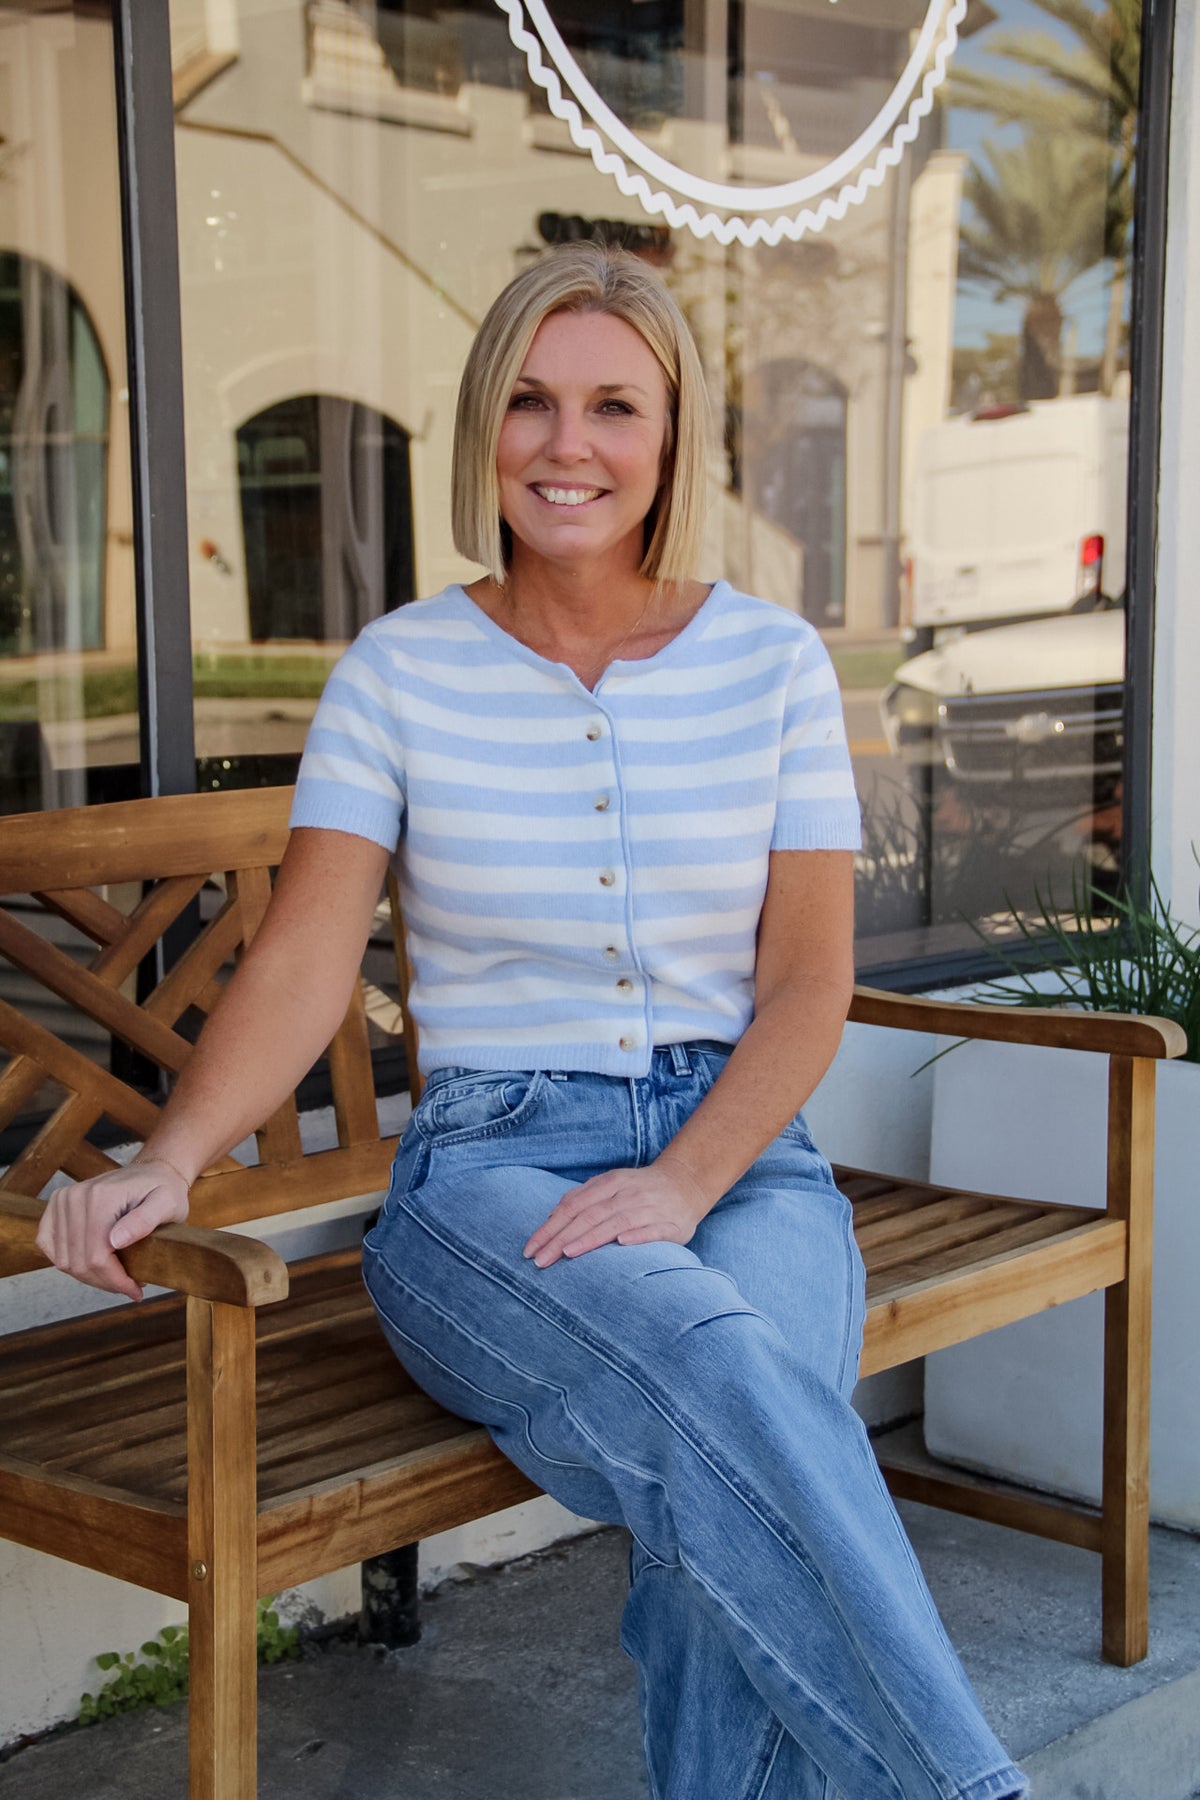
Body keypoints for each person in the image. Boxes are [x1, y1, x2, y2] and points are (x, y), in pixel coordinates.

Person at [38, 244, 1028, 1800]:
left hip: (741, 1156)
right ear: (482, 428)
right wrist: (172, 1158)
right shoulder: (399, 675)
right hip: (494, 1172)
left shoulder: (773, 667)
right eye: (531, 402)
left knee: (739, 1427)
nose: (569, 446)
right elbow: (302, 959)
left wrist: (685, 1180)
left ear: (671, 436)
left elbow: (806, 983)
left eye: (614, 406)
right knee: (732, 1390)